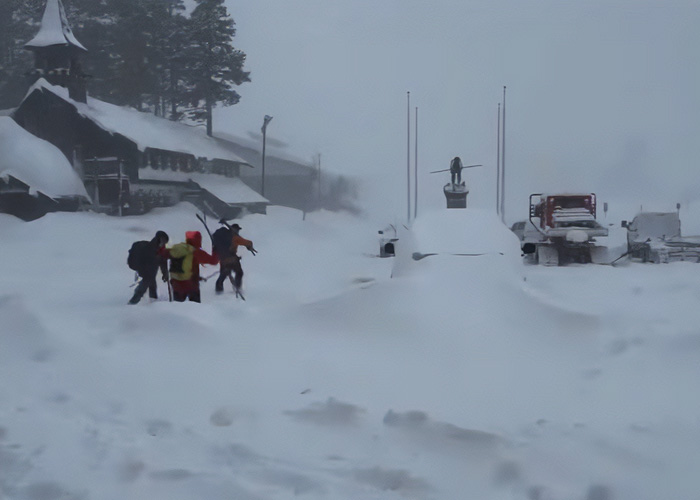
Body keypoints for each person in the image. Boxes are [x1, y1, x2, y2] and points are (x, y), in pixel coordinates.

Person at [162, 231, 219, 303]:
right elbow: (214, 261)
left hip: (176, 283)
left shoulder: (179, 249)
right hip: (191, 284)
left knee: (177, 308)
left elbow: (163, 254)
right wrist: (215, 250)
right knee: (195, 308)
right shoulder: (196, 252)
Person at [127, 230, 169, 305]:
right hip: (146, 270)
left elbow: (162, 262)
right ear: (159, 239)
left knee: (152, 283)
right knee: (146, 283)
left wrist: (165, 272)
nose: (164, 243)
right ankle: (133, 302)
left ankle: (153, 301)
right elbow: (157, 260)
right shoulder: (151, 248)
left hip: (150, 271)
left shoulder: (159, 249)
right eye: (164, 241)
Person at [215, 223, 256, 296]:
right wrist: (249, 246)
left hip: (223, 259)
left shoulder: (222, 237)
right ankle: (237, 288)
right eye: (237, 230)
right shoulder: (235, 238)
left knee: (223, 275)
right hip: (232, 259)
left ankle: (218, 293)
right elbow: (248, 242)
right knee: (239, 272)